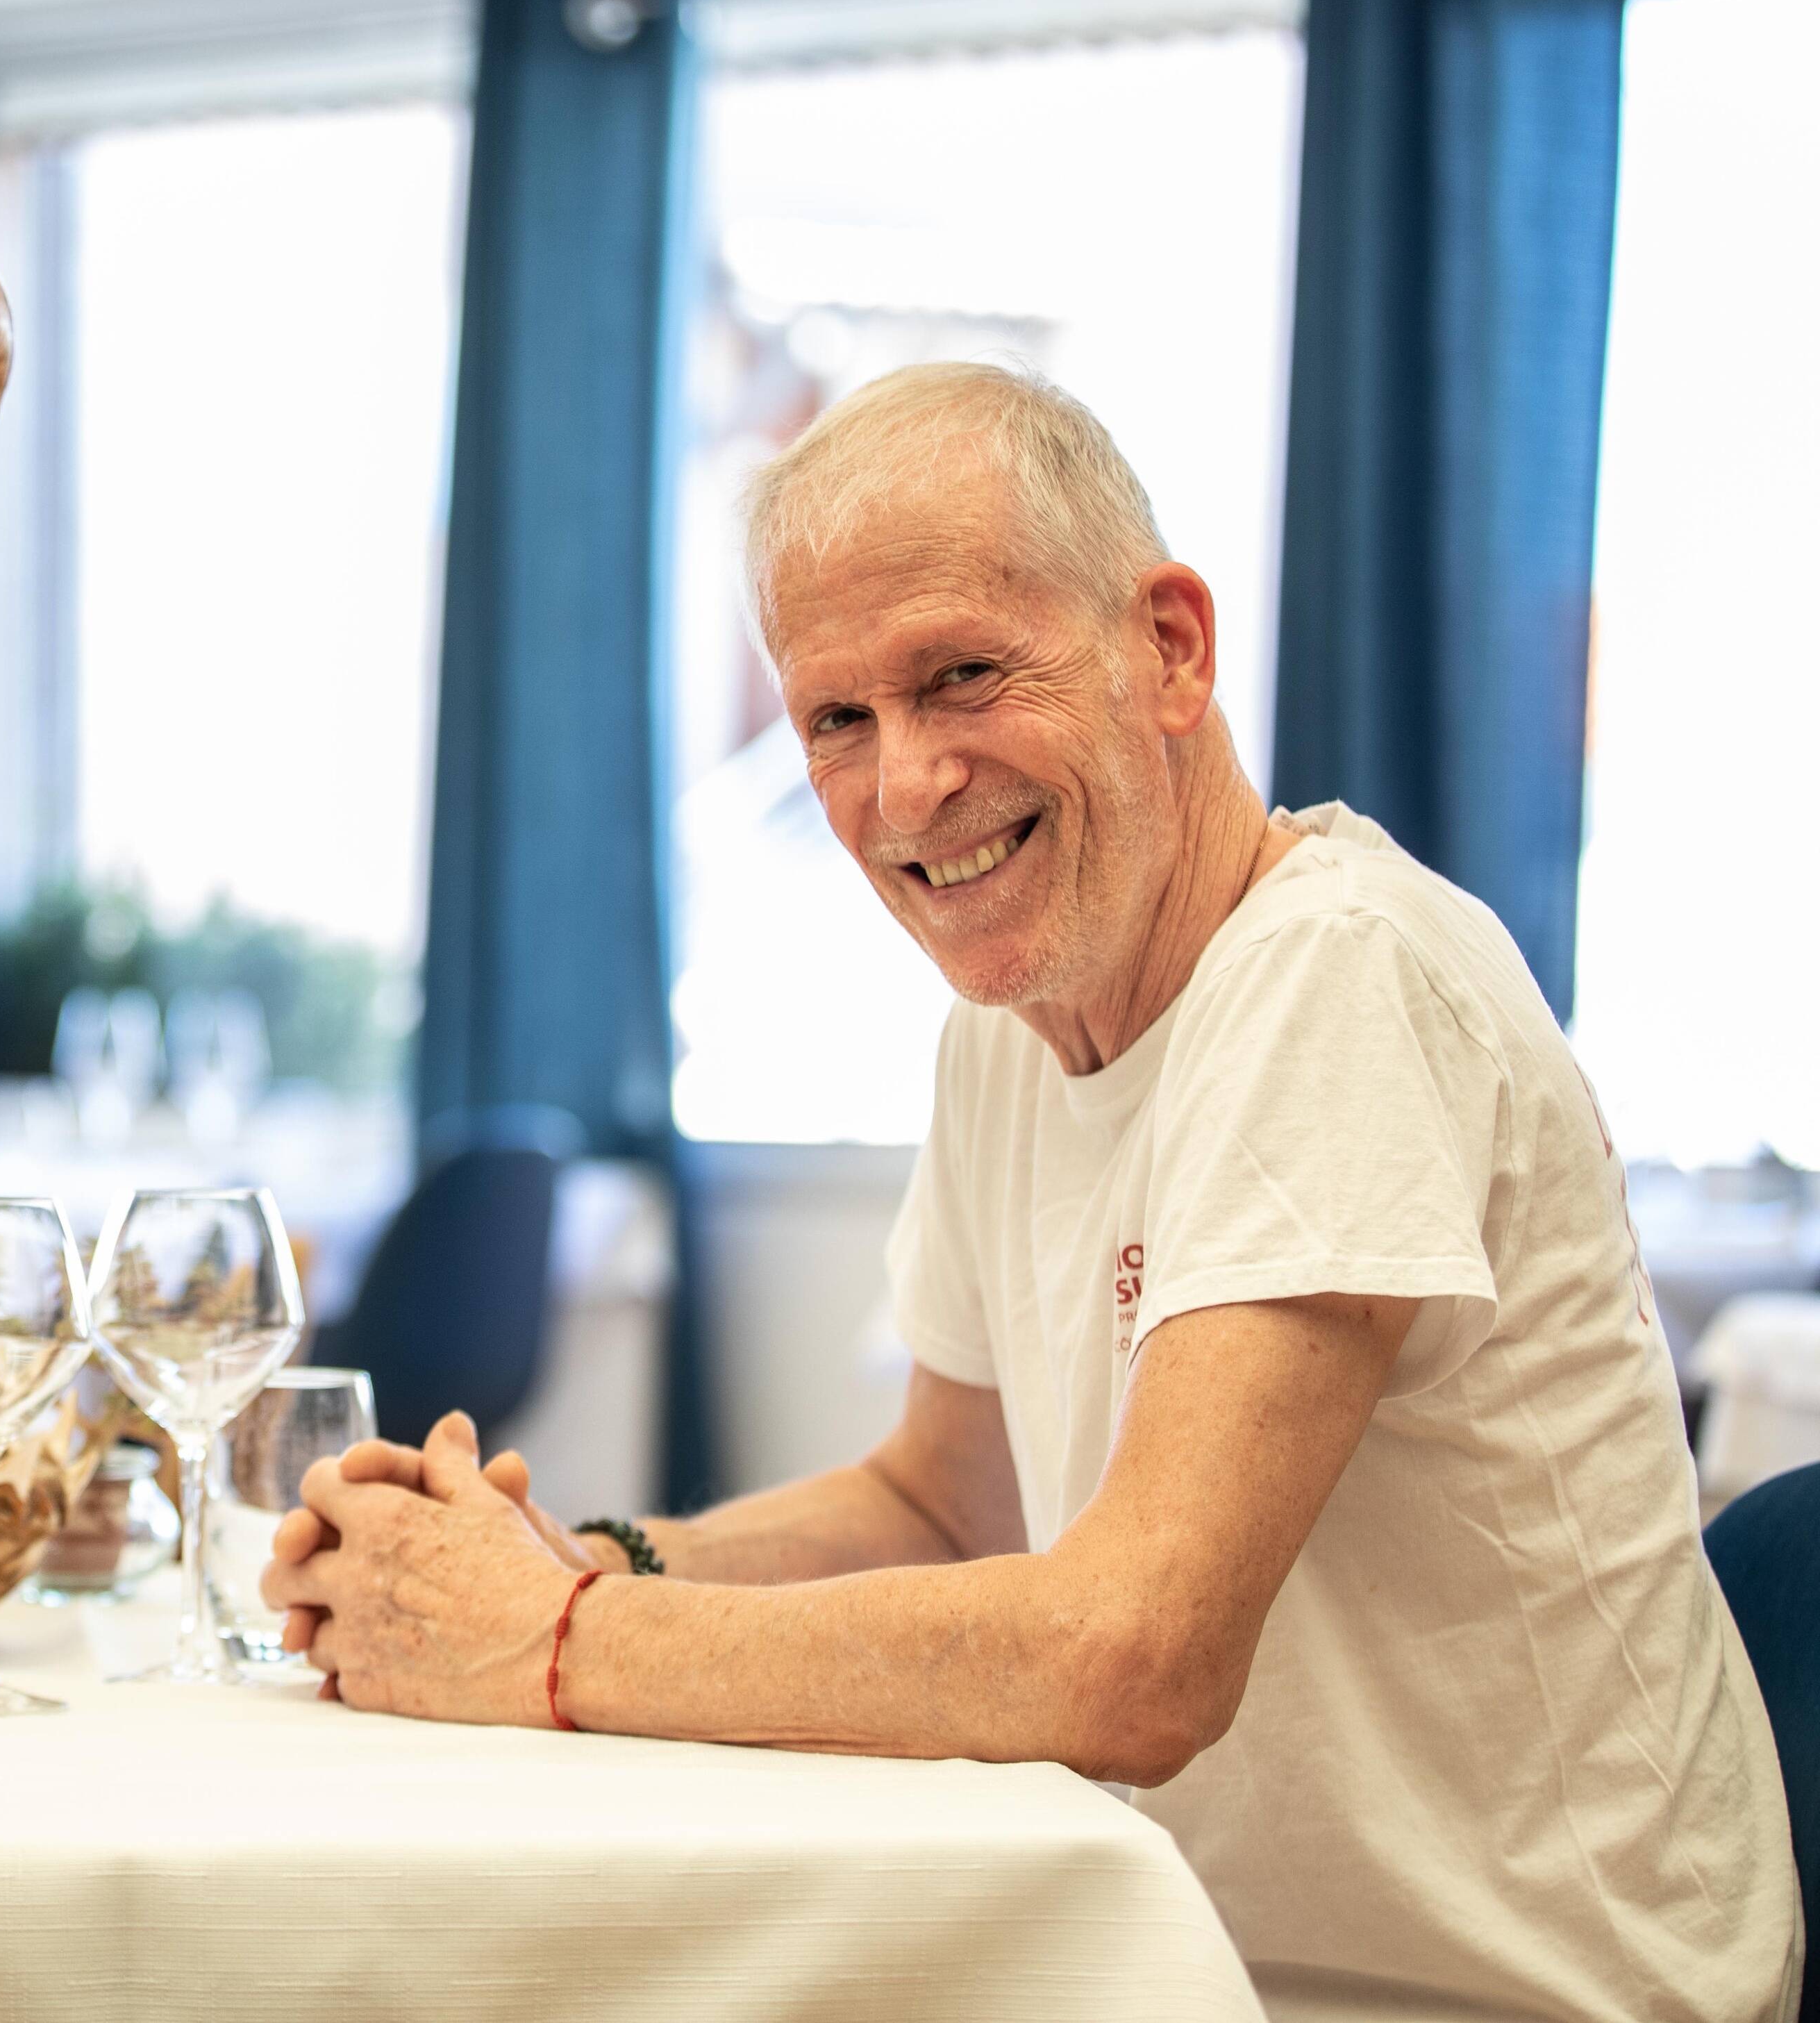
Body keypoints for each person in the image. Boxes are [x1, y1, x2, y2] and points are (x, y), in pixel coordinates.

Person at [265, 363, 1801, 2023]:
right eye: (838, 720)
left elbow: (1133, 1656)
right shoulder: (1009, 1028)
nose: (905, 784)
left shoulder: (1336, 972)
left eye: (963, 674)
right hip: (1193, 1961)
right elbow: (944, 1500)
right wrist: (581, 1555)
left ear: (1169, 647)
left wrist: (553, 1640)